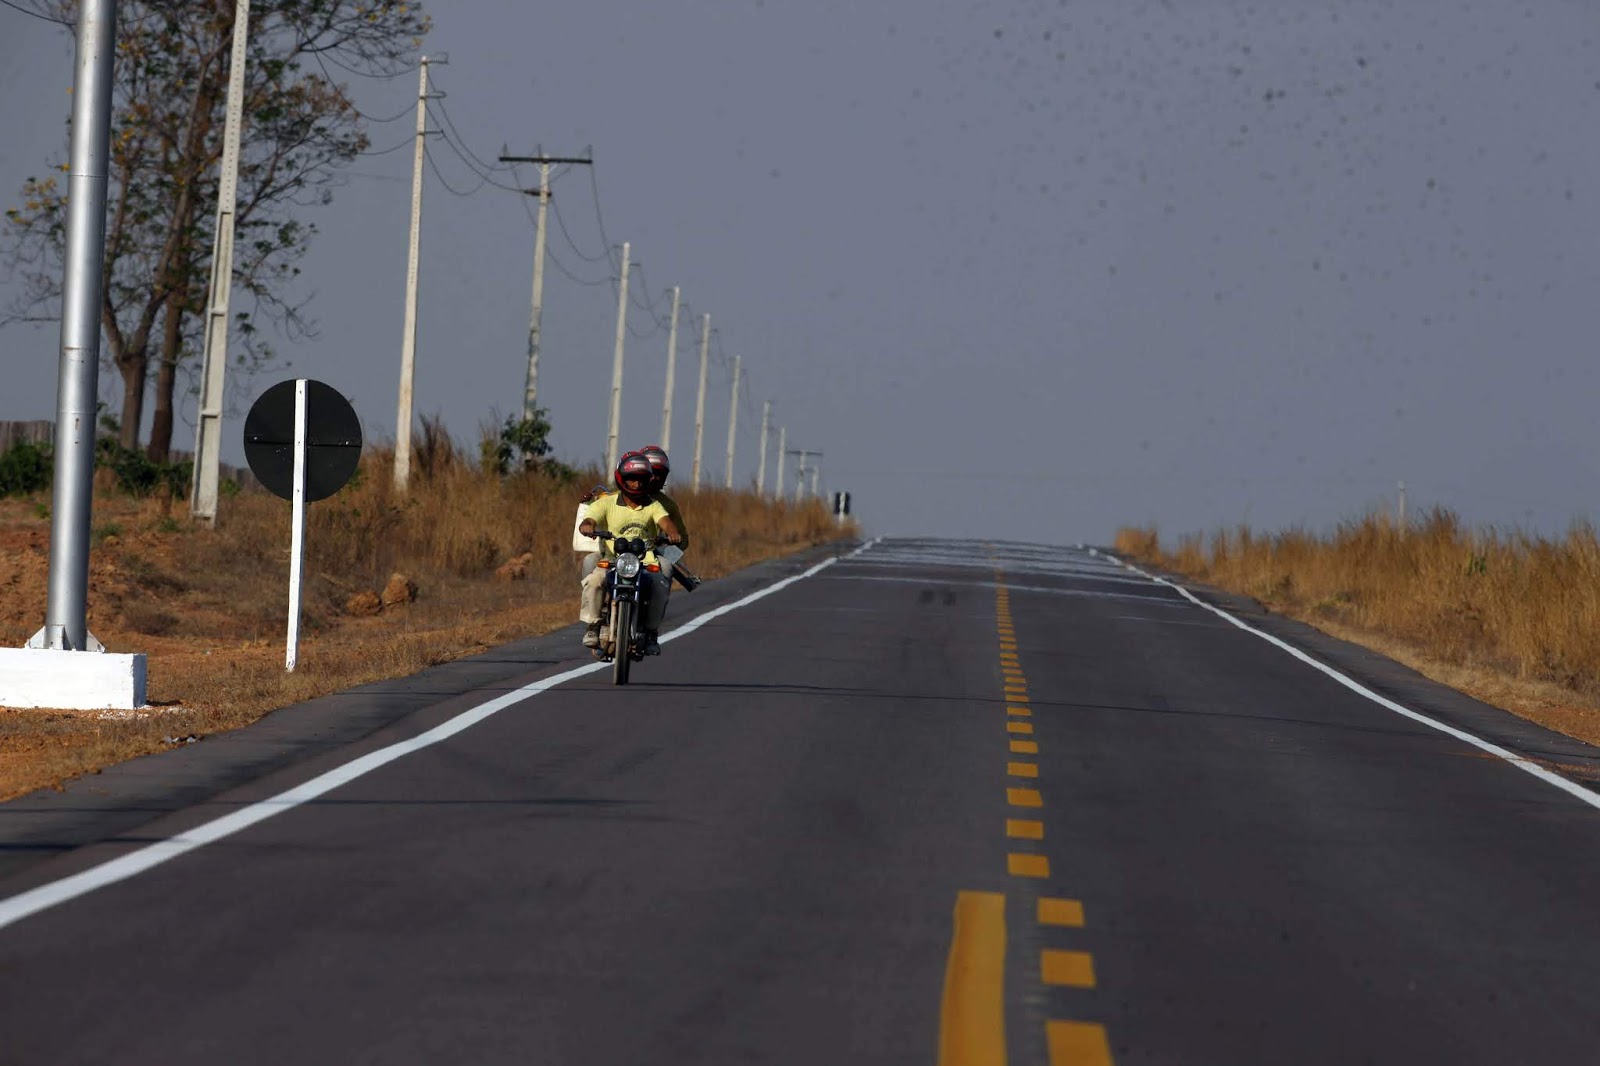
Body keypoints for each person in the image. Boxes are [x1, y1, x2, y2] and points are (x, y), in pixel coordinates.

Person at [578, 451, 682, 654]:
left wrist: (672, 533)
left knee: (660, 585)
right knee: (594, 581)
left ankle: (651, 632)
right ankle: (593, 625)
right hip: (611, 559)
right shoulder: (606, 502)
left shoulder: (654, 505)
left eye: (641, 479)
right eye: (631, 479)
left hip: (645, 561)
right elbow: (590, 519)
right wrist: (588, 526)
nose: (636, 484)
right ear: (621, 479)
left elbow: (667, 523)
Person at [637, 445, 699, 592]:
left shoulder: (667, 504)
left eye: (659, 473)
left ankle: (654, 613)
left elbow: (682, 539)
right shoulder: (618, 496)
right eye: (651, 472)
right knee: (591, 563)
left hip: (652, 552)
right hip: (620, 550)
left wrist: (666, 544)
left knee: (666, 568)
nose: (655, 478)